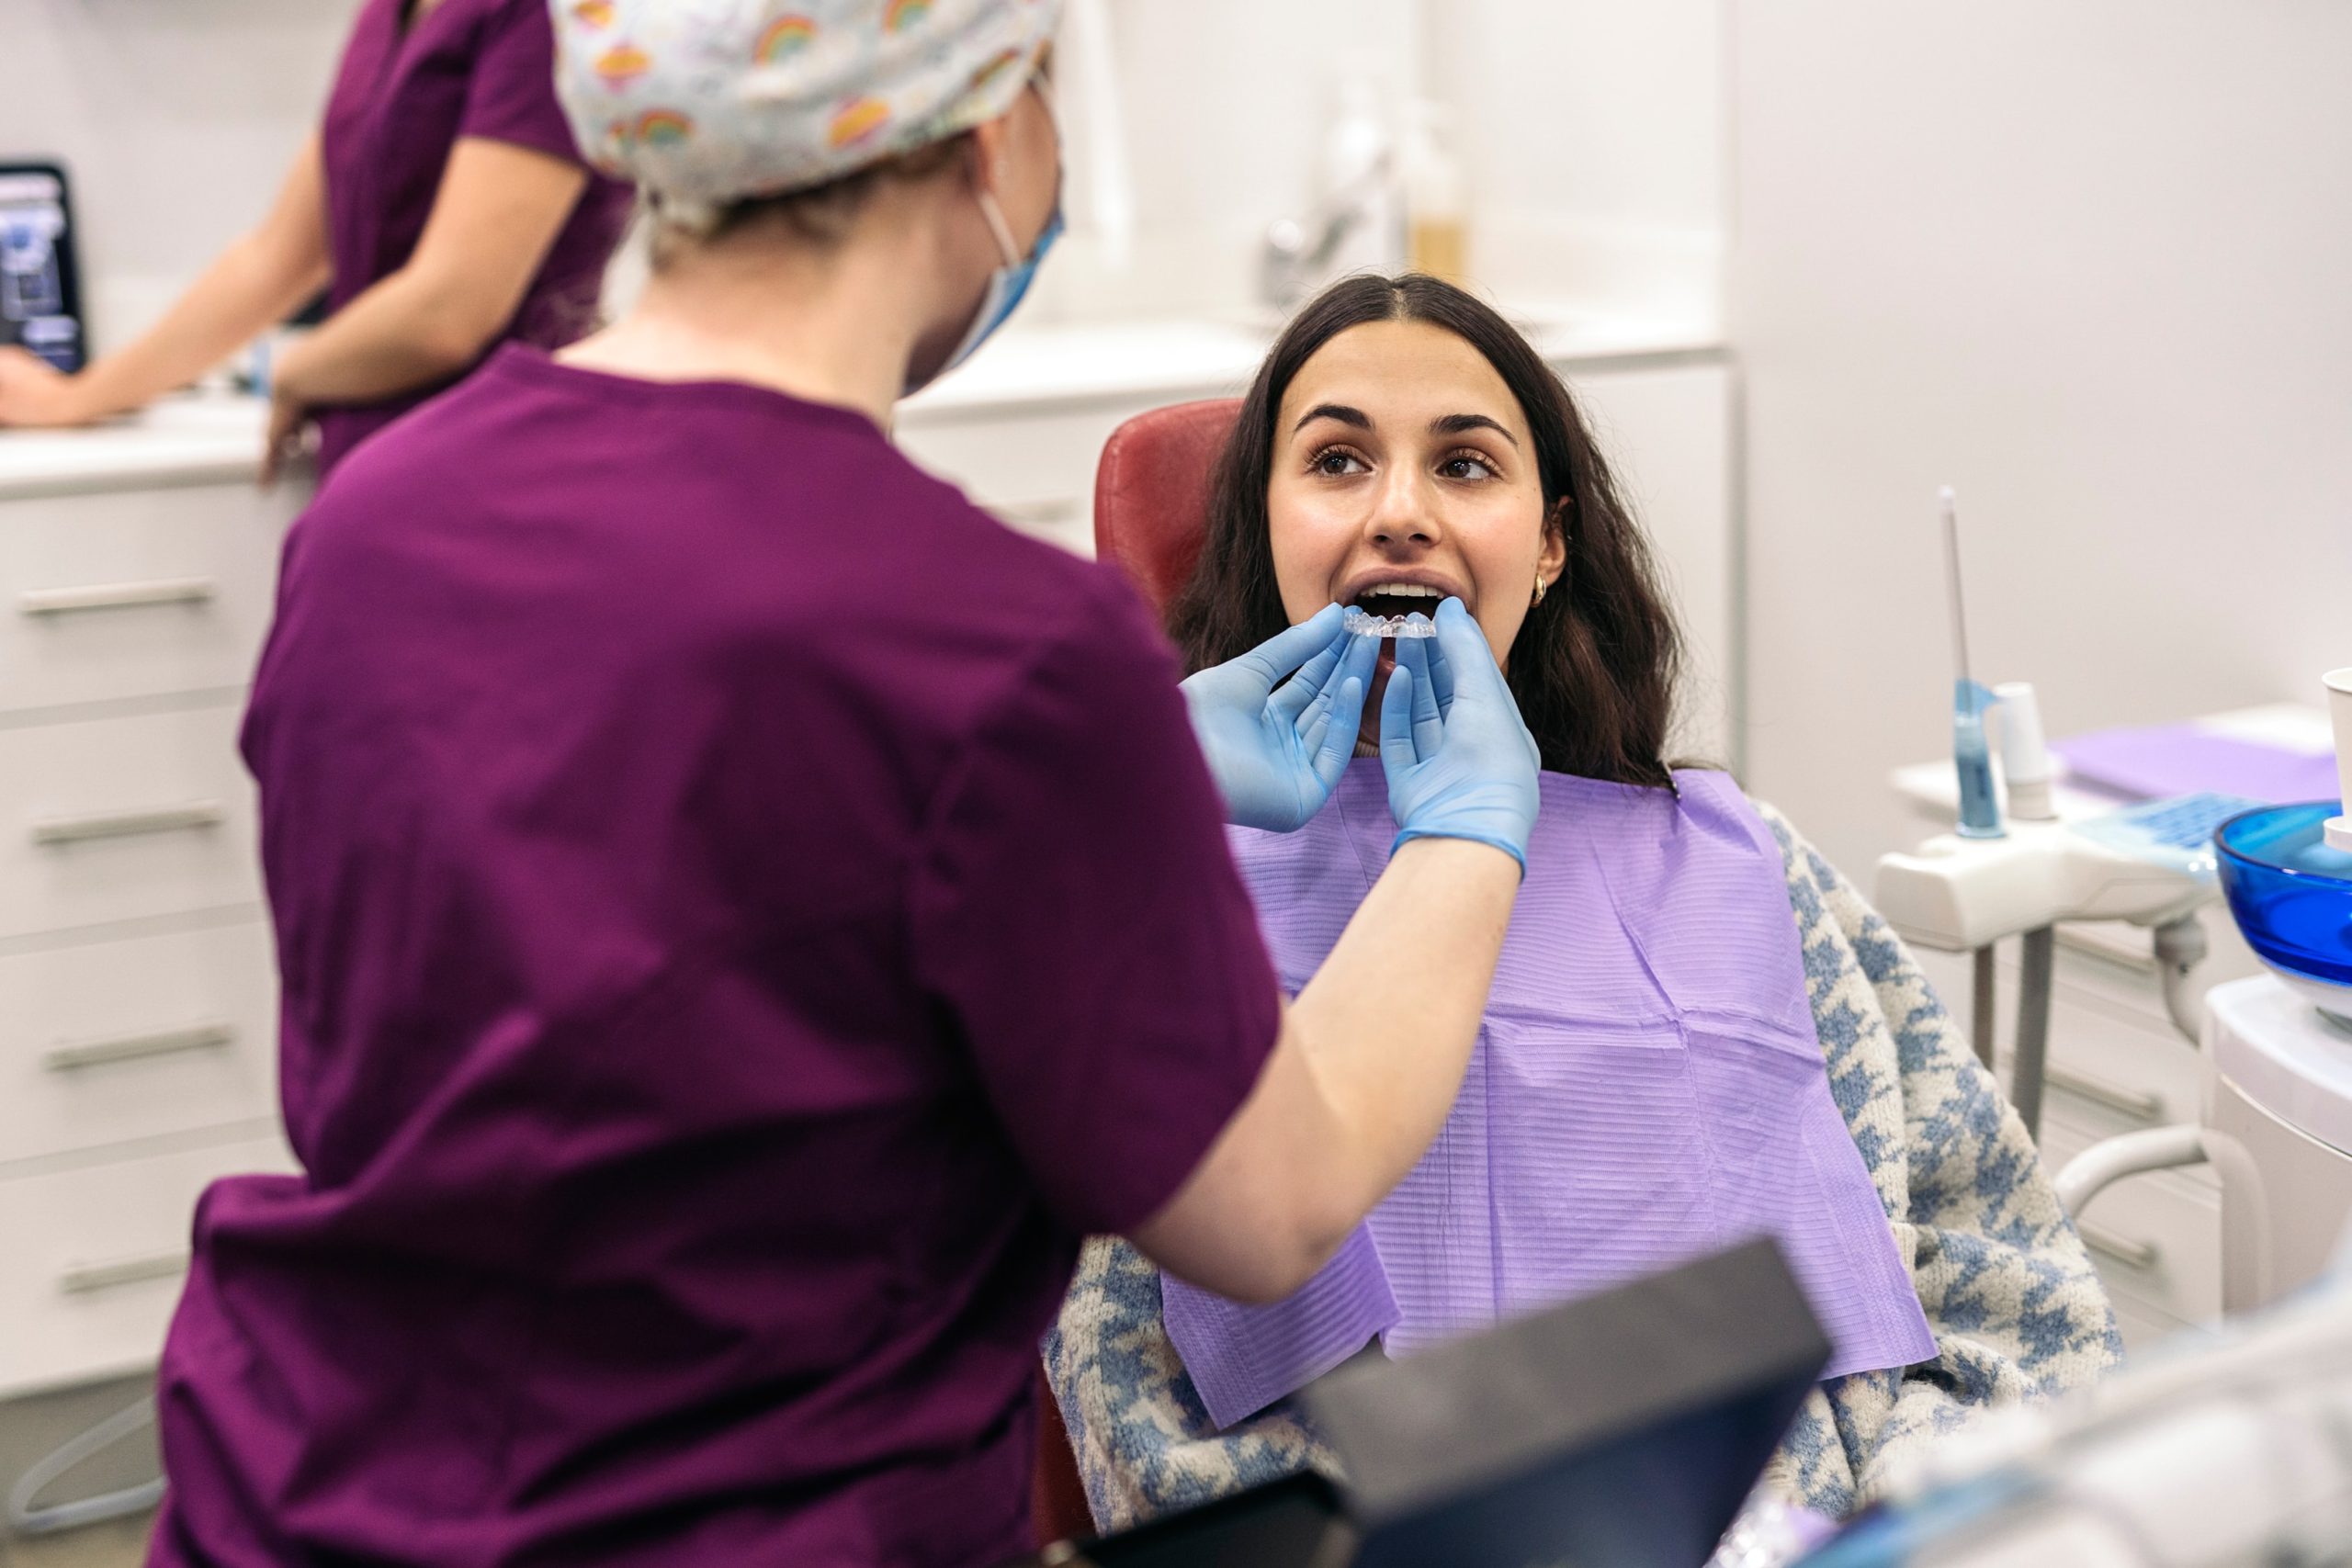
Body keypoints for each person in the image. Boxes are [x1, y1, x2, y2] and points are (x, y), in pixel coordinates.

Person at [143, 6, 1549, 1566]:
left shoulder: (374, 521)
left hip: (293, 1496)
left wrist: (1096, 780)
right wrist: (1469, 834)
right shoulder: (1001, 651)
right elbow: (1274, 1206)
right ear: (981, 133)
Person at [1045, 274, 2123, 1532]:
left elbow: (1996, 1269)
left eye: (1464, 465)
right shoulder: (1146, 891)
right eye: (1337, 460)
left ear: (1550, 543)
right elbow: (1129, 1387)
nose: (1400, 511)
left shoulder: (1742, 860)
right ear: (1264, 528)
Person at [0, 0, 631, 479]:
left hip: (500, 459)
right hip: (373, 462)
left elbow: (447, 312)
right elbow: (277, 258)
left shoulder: (539, 17)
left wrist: (299, 370)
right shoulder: (390, 12)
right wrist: (80, 398)